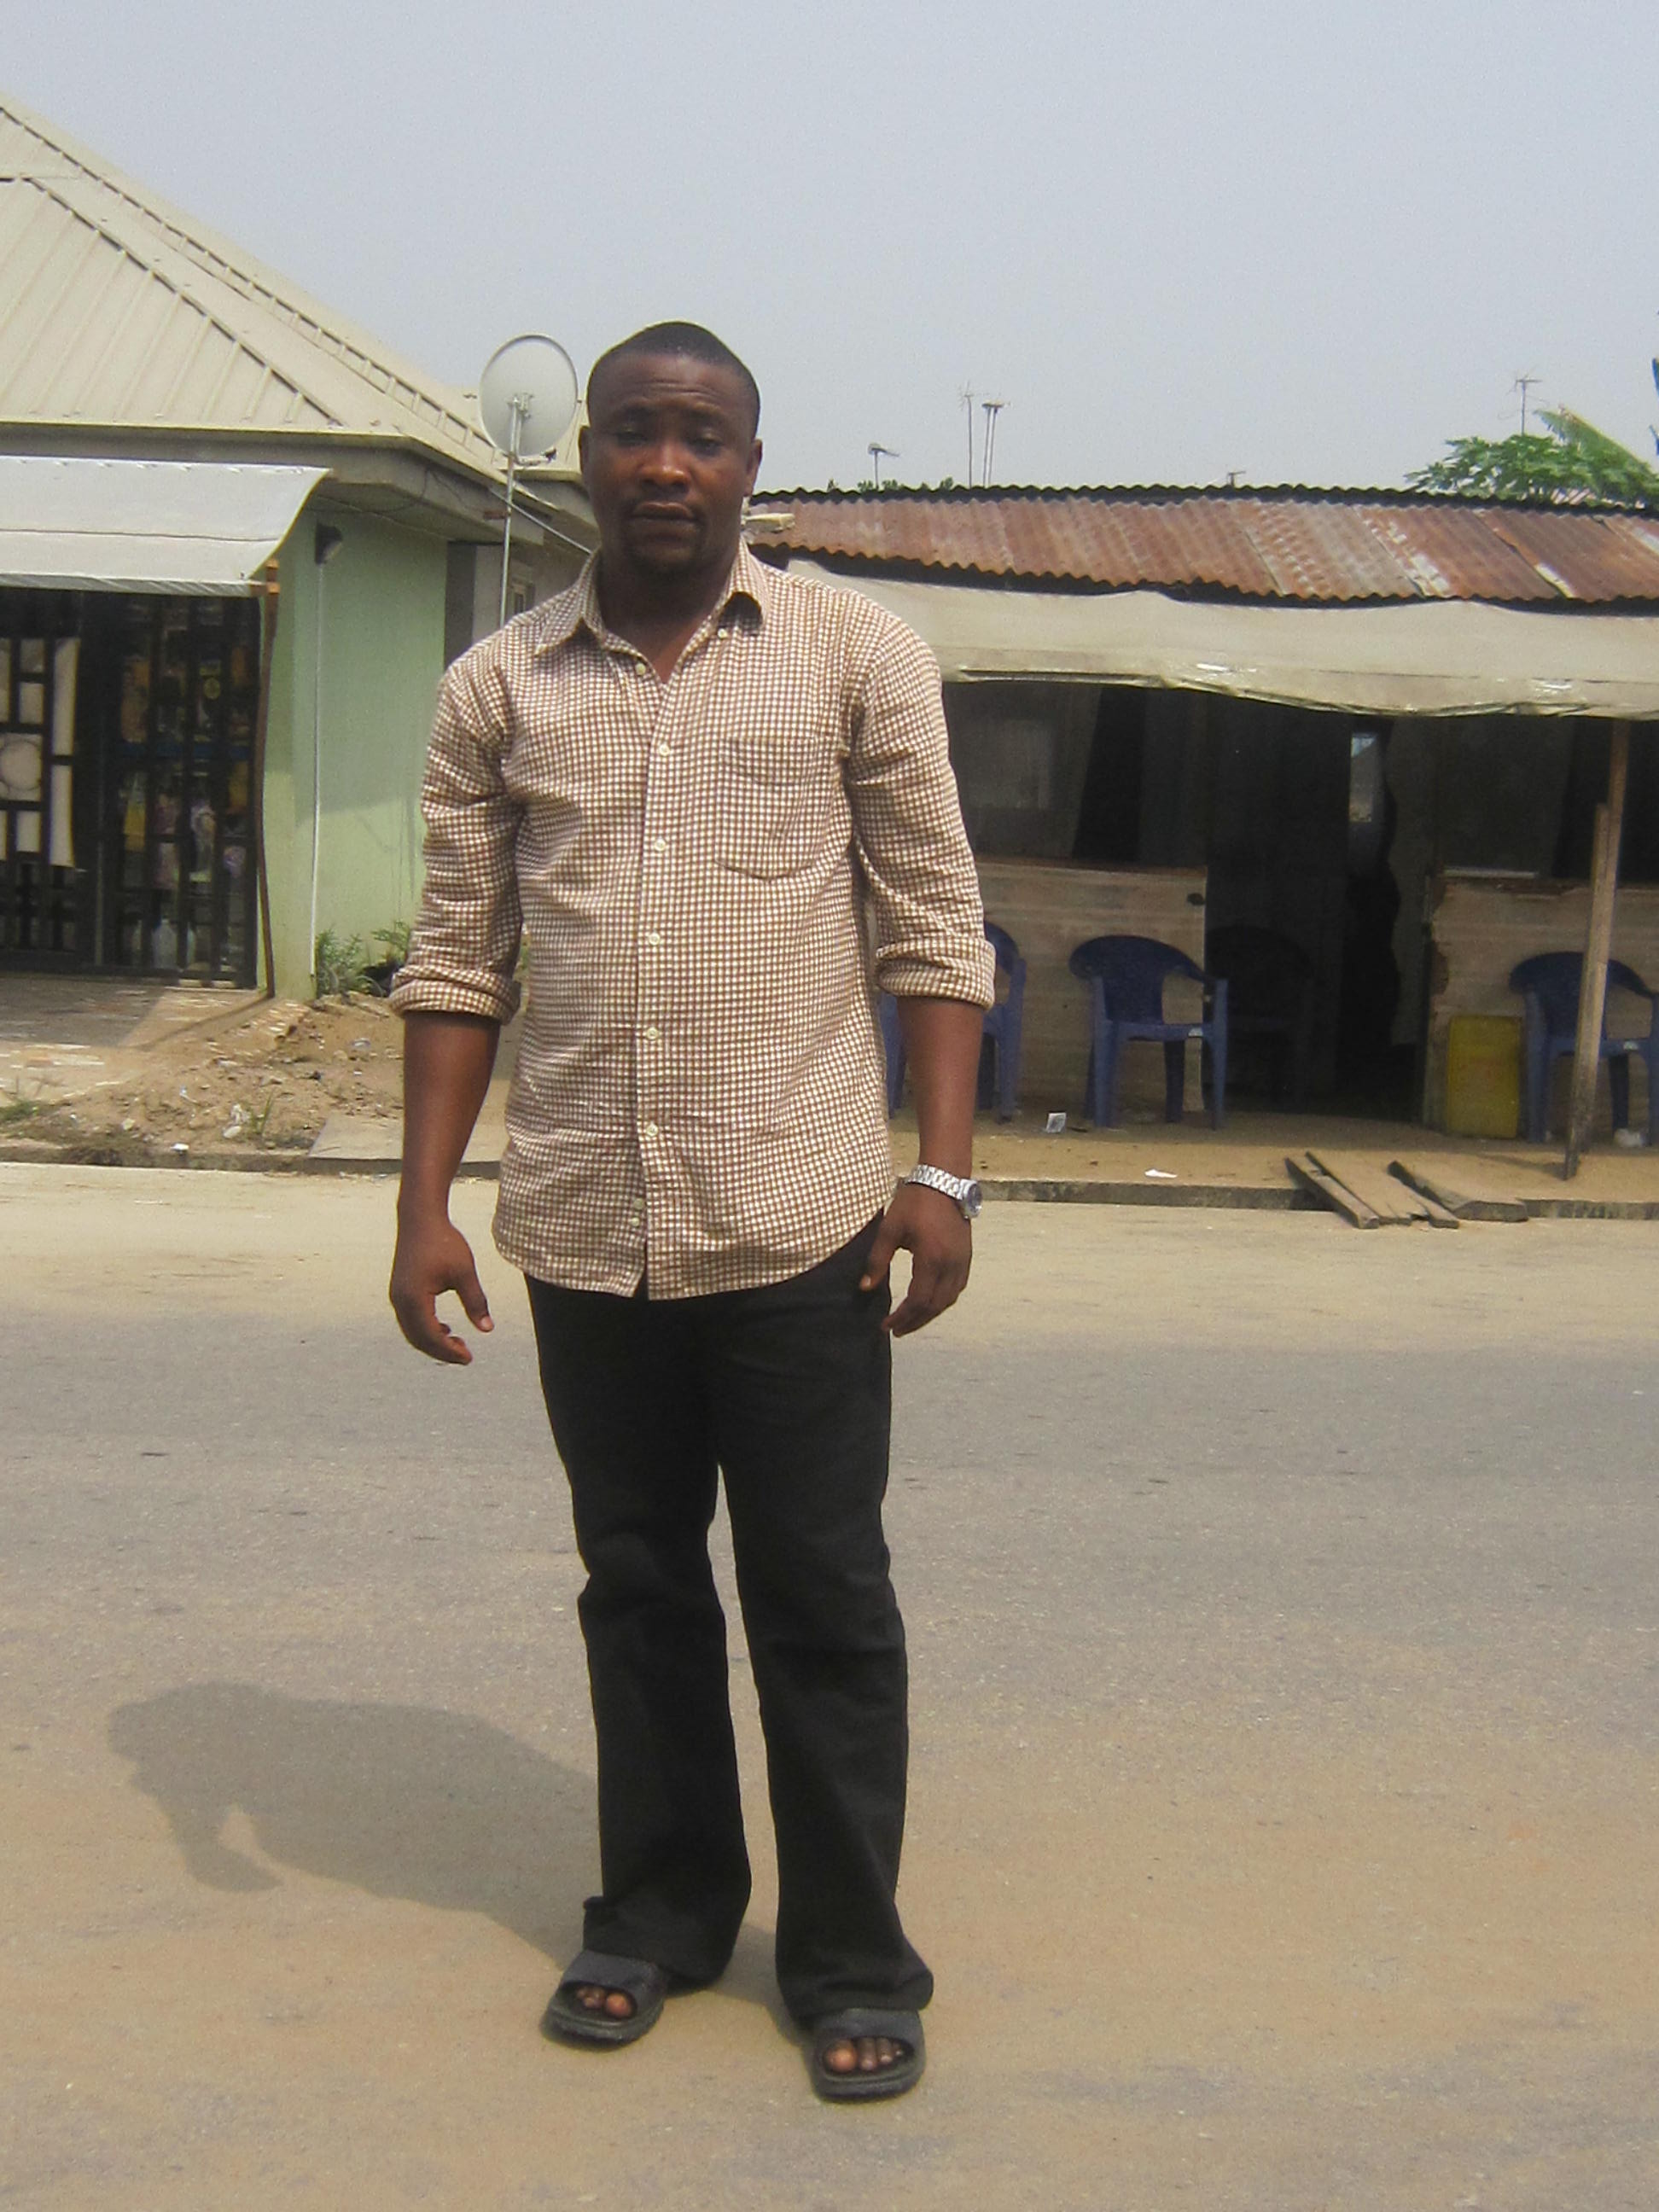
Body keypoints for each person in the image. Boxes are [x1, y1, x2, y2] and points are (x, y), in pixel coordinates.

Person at [388, 321, 992, 2102]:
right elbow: (457, 959)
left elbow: (933, 923)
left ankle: (852, 1956)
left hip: (804, 1219)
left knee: (822, 1597)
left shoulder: (856, 654)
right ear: (585, 453)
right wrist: (423, 1206)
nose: (668, 463)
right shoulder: (498, 686)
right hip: (588, 1221)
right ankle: (659, 1913)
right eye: (636, 431)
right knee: (640, 1585)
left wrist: (942, 1172)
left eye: (703, 435)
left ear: (748, 463)